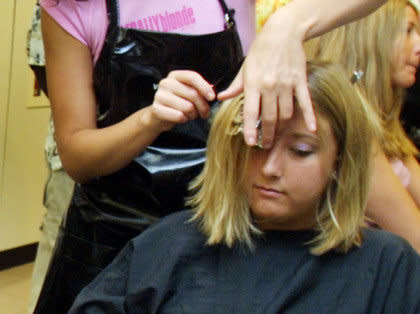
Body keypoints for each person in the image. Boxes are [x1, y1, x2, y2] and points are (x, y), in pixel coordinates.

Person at [33, 0, 389, 312]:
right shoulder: (74, 5)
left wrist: (289, 23)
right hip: (110, 232)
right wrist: (149, 120)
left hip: (223, 226)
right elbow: (77, 154)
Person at [69, 61, 420, 313]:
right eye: (257, 143)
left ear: (340, 164)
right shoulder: (169, 246)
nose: (270, 169)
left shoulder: (387, 266)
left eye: (300, 151)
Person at [304, 0, 420, 252]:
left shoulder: (386, 130)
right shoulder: (354, 134)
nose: (419, 45)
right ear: (367, 38)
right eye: (408, 30)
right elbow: (416, 239)